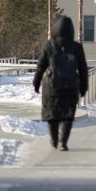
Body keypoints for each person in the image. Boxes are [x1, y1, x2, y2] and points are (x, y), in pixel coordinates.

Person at [33, 16, 88, 151]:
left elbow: (41, 66)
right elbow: (83, 69)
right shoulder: (77, 47)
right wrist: (83, 87)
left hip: (52, 86)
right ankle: (63, 142)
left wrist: (36, 82)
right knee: (68, 114)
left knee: (52, 113)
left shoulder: (49, 44)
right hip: (71, 85)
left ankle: (54, 139)